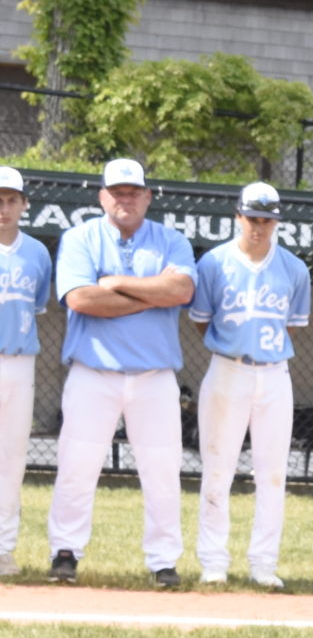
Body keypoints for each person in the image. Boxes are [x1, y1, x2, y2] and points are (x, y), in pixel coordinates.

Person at [46, 158, 195, 588]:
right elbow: (81, 300)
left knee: (163, 470)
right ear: (102, 196)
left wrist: (113, 281)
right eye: (117, 191)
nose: (125, 198)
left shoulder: (171, 241)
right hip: (94, 371)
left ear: (147, 196)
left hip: (155, 376)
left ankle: (164, 561)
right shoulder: (79, 238)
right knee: (77, 466)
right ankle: (65, 551)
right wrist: (152, 294)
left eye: (134, 191)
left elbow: (182, 290)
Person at [188, 181, 309, 590]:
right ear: (237, 217)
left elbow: (294, 324)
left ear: (276, 222)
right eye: (252, 218)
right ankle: (213, 561)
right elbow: (202, 319)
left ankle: (263, 563)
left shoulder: (293, 268)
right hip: (227, 369)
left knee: (272, 473)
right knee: (218, 468)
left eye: (267, 220)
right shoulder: (214, 263)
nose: (259, 227)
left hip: (275, 374)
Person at [0, 166, 52, 577]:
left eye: (11, 200)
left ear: (24, 205)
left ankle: (3, 547)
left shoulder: (36, 252)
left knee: (13, 457)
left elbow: (35, 307)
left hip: (19, 363)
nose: (4, 208)